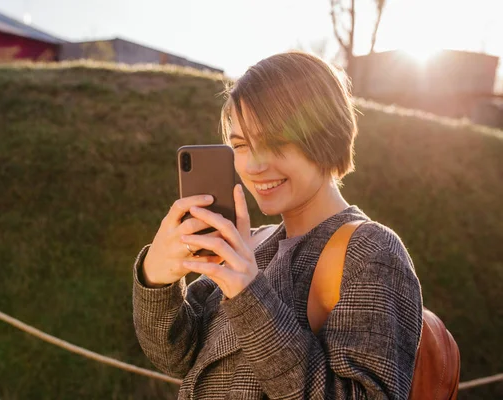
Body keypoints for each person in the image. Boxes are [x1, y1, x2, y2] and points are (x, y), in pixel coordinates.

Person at [132, 51, 423, 399]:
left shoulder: (372, 251)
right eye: (240, 144)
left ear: (327, 135)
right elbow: (176, 355)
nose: (253, 165)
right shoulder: (253, 242)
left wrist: (249, 295)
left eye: (276, 142)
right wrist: (157, 278)